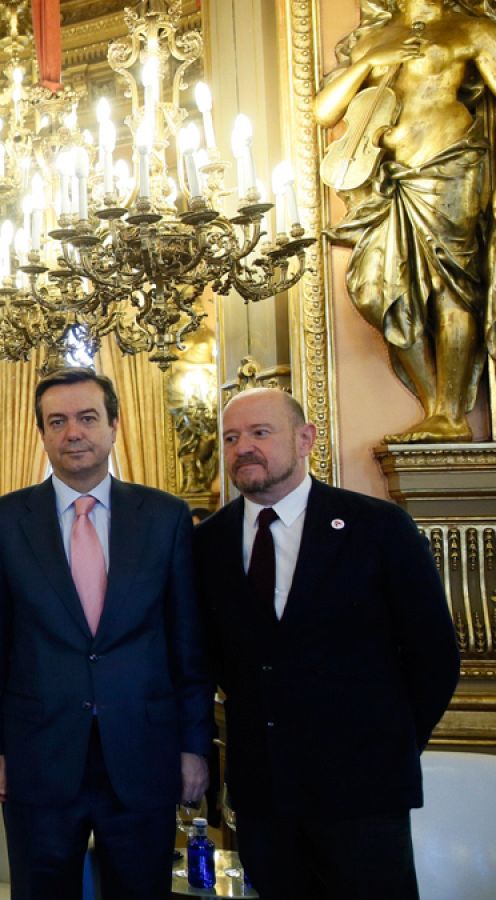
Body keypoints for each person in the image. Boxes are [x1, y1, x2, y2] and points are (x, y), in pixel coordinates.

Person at [195, 387, 460, 898]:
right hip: (264, 798)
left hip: (364, 795)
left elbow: (434, 657)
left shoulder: (377, 527)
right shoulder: (206, 544)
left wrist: (389, 745)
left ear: (305, 439)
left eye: (260, 432)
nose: (243, 447)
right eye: (230, 437)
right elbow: (206, 660)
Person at [0, 367, 213, 899]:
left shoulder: (166, 518)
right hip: (40, 756)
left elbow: (187, 644)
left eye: (86, 418)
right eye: (57, 422)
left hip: (142, 751)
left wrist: (194, 747)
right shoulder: (3, 522)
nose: (73, 433)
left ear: (114, 426)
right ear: (41, 433)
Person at [316, 0, 496, 442]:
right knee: (374, 290)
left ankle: (450, 415)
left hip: (452, 166)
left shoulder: (471, 29)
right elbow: (324, 112)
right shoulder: (375, 38)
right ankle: (434, 403)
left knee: (452, 285)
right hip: (392, 179)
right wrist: (369, 64)